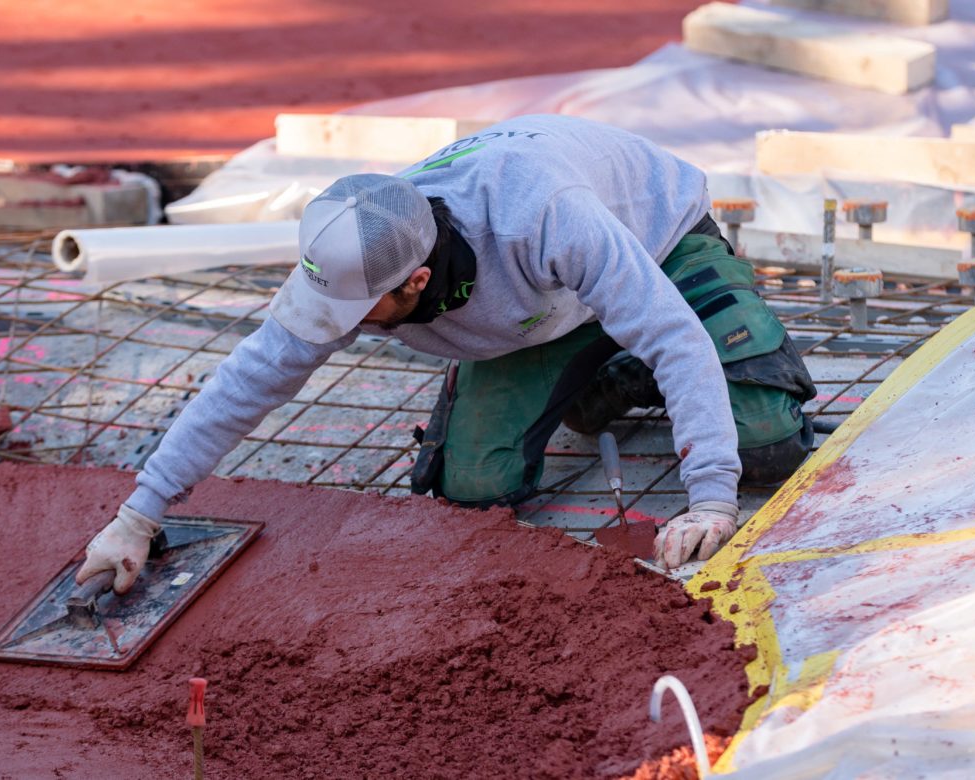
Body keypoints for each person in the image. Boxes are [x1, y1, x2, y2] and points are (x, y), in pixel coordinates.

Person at [76, 114, 815, 593]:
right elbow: (246, 384)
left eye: (361, 314)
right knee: (472, 487)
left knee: (764, 439)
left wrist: (710, 499)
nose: (343, 327)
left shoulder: (541, 217)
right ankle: (602, 369)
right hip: (541, 310)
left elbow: (672, 332)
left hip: (655, 242)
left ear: (418, 280)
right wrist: (138, 514)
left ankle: (625, 364)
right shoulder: (356, 257)